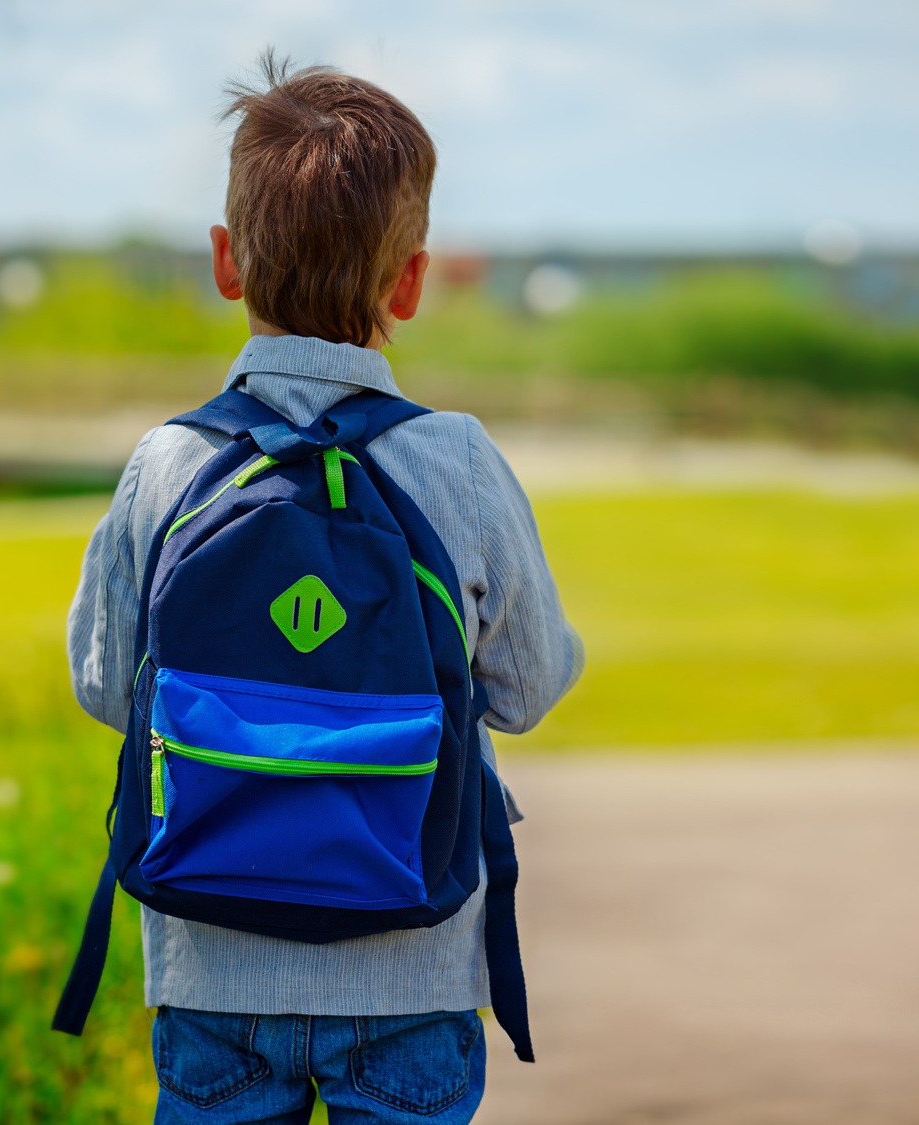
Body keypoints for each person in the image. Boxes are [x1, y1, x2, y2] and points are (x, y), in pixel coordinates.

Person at [66, 56, 583, 1125]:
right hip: (414, 965)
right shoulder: (459, 463)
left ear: (225, 260)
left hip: (212, 966)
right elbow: (527, 687)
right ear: (410, 280)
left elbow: (109, 688)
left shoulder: (166, 464)